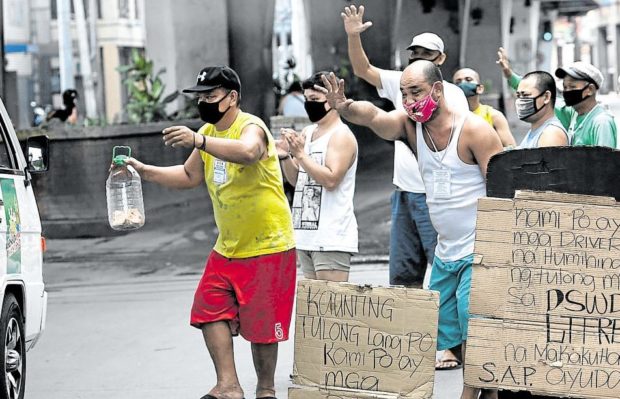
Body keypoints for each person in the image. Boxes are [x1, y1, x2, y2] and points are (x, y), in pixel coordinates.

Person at [319, 61, 503, 399]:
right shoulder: (409, 127)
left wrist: (500, 253)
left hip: (480, 250)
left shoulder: (475, 130)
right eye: (403, 94)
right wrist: (345, 107)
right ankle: (488, 393)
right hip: (446, 252)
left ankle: (469, 394)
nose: (408, 101)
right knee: (449, 332)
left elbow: (503, 189)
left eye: (415, 92)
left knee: (474, 325)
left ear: (437, 90)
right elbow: (374, 117)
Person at [125, 66, 296, 399]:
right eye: (200, 97)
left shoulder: (252, 127)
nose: (204, 102)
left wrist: (199, 140)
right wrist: (144, 171)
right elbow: (189, 176)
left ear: (232, 97)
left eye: (211, 96)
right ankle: (229, 386)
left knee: (262, 331)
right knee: (208, 308)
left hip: (269, 245)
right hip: (228, 247)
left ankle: (266, 389)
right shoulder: (207, 131)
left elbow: (248, 153)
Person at [342, 4, 468, 371]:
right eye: (414, 54)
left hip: (436, 197)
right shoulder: (402, 83)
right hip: (404, 192)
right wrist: (353, 36)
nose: (411, 97)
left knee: (443, 270)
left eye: (426, 55)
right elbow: (364, 76)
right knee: (404, 271)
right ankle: (415, 342)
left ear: (440, 61)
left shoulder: (451, 97)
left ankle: (451, 346)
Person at [277, 71, 358, 282]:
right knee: (314, 311)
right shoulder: (308, 132)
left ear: (331, 100)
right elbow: (298, 180)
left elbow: (331, 180)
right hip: (306, 236)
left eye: (314, 100)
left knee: (330, 309)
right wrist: (285, 156)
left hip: (331, 237)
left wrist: (301, 154)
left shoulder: (341, 135)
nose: (309, 104)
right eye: (306, 99)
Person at [497, 48, 617, 147]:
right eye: (564, 87)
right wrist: (509, 75)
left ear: (590, 89)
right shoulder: (572, 112)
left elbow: (606, 167)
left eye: (572, 86)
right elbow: (534, 92)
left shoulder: (601, 122)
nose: (567, 91)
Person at [453, 68, 516, 147]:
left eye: (468, 80)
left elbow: (511, 148)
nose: (463, 84)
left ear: (480, 88)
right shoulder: (450, 118)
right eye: (458, 82)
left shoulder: (493, 116)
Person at [515, 71, 568, 148]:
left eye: (526, 95)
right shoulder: (536, 131)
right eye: (518, 96)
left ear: (546, 97)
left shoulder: (551, 134)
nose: (521, 101)